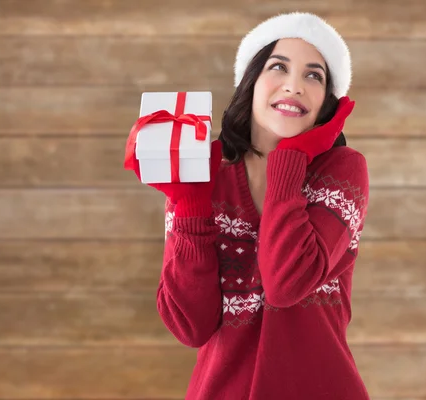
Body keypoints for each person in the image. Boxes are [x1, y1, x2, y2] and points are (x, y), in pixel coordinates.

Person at [129, 11, 370, 400]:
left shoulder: (342, 170)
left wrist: (290, 157)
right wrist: (189, 201)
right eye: (279, 67)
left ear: (328, 102)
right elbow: (191, 327)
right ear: (252, 80)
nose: (294, 86)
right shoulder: (202, 175)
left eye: (314, 75)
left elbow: (286, 283)